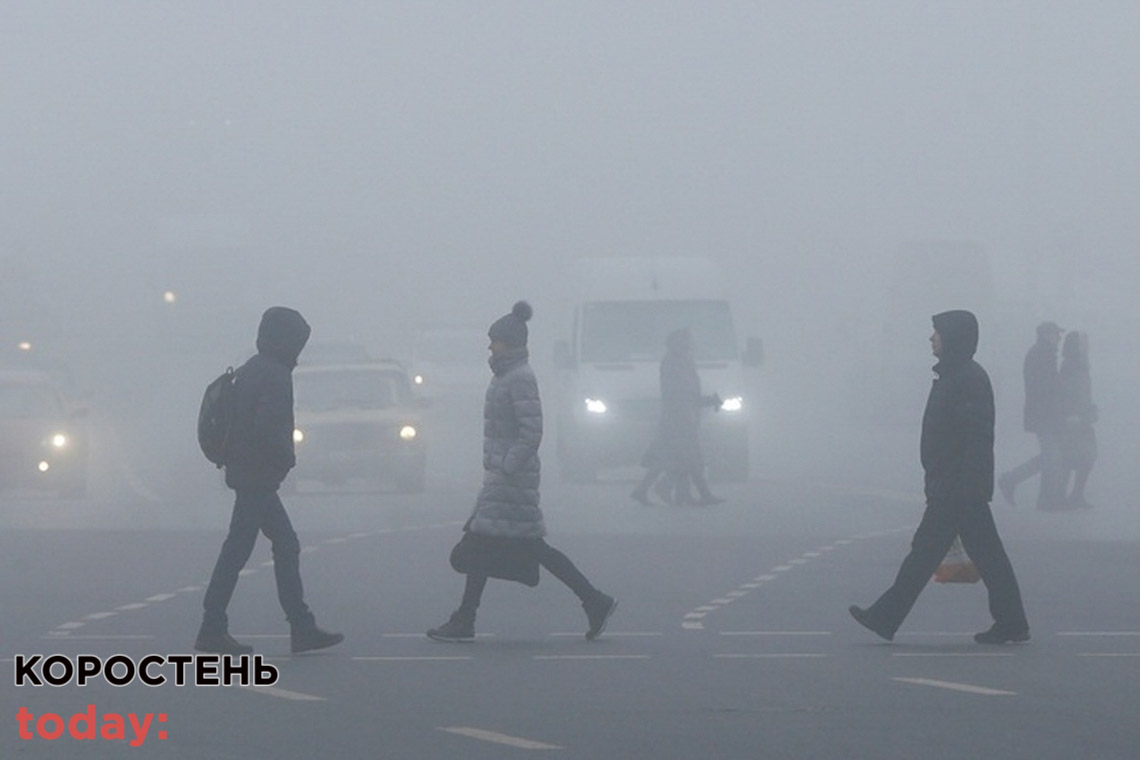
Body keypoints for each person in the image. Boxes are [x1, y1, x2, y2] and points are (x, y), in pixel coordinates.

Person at [427, 301, 618, 642]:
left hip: (511, 479)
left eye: (494, 339)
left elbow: (532, 432)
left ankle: (465, 619)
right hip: (506, 476)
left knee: (486, 543)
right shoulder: (507, 375)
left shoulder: (519, 378)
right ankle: (594, 600)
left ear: (510, 343)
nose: (490, 345)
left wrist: (506, 466)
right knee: (523, 547)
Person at [849, 310, 1030, 645]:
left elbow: (975, 437)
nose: (931, 338)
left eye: (937, 333)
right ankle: (1012, 621)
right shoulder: (957, 376)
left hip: (958, 488)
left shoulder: (966, 379)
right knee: (984, 556)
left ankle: (885, 616)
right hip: (956, 485)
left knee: (926, 554)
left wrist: (965, 485)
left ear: (954, 338)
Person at [195, 307, 344, 656]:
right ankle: (213, 627)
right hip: (258, 475)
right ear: (287, 341)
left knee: (281, 545)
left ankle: (299, 625)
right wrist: (285, 459)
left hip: (246, 471)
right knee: (240, 550)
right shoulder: (275, 374)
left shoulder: (250, 368)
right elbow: (267, 427)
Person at [630, 328, 724, 507]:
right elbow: (681, 393)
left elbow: (688, 393)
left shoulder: (684, 362)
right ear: (677, 343)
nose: (691, 343)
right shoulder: (673, 363)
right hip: (677, 418)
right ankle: (698, 494)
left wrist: (705, 402)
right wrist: (706, 401)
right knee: (689, 458)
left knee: (672, 459)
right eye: (687, 340)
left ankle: (655, 491)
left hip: (684, 415)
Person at [997, 321, 1067, 510]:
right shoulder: (1041, 354)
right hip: (1044, 416)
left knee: (1049, 456)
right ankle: (1018, 483)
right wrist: (1056, 410)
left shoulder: (1043, 353)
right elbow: (1043, 389)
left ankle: (1015, 481)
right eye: (1056, 334)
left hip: (1043, 415)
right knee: (1052, 457)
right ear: (1046, 334)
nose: (1059, 338)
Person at [1058, 331, 1097, 509]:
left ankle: (1075, 495)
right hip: (1075, 418)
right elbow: (1068, 392)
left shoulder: (1080, 364)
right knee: (1075, 456)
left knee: (1085, 456)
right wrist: (1072, 413)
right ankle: (1068, 496)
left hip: (1082, 417)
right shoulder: (1072, 365)